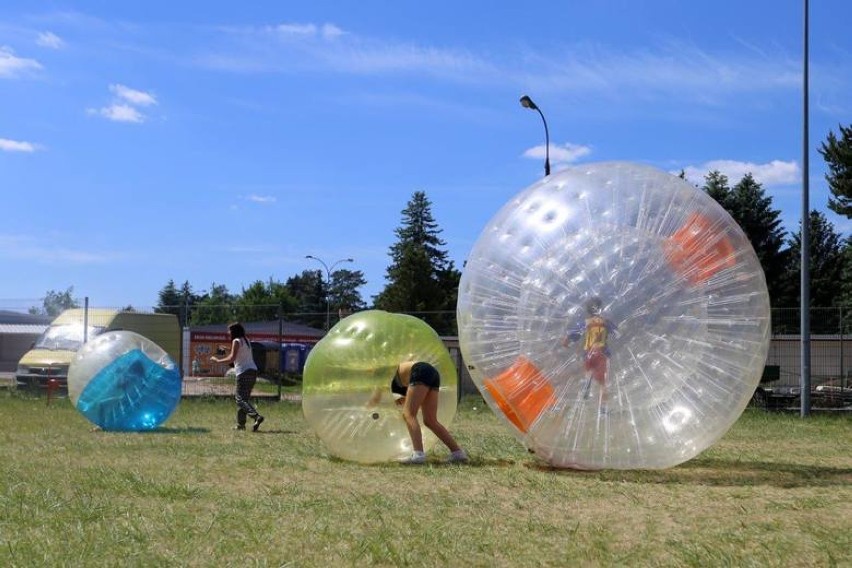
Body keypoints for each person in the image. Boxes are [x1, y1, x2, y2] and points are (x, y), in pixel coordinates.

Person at [372, 361, 468, 464]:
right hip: (431, 372)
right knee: (430, 420)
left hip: (419, 371)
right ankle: (458, 453)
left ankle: (418, 455)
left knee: (408, 414)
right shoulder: (393, 375)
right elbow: (405, 400)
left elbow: (376, 400)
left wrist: (367, 408)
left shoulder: (382, 374)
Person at [564, 297, 617, 409]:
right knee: (603, 384)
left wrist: (566, 343)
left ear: (588, 311)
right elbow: (617, 333)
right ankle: (603, 408)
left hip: (588, 354)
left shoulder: (585, 323)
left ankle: (587, 382)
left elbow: (570, 337)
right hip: (602, 354)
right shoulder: (605, 322)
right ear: (600, 309)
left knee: (589, 371)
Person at [211, 322, 264, 431]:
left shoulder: (236, 341)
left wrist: (217, 360)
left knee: (239, 399)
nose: (228, 333)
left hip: (243, 372)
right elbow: (239, 353)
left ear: (234, 331)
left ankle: (256, 416)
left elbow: (231, 358)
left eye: (229, 330)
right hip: (253, 371)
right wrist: (228, 349)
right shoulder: (246, 340)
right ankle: (241, 425)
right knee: (244, 399)